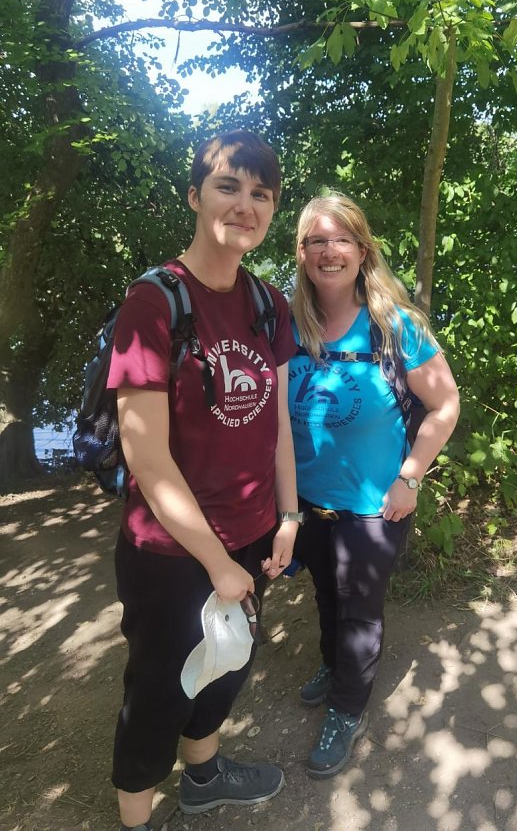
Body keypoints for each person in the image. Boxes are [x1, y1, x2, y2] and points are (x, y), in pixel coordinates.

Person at [107, 130, 300, 831]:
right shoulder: (153, 303)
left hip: (251, 541)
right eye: (228, 186)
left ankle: (205, 777)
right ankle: (136, 818)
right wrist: (216, 563)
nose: (245, 204)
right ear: (194, 196)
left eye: (261, 193)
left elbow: (274, 420)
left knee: (226, 668)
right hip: (171, 555)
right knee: (158, 693)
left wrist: (287, 516)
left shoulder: (267, 303)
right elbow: (147, 459)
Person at [288, 193, 460, 779]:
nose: (328, 251)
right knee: (324, 596)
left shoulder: (395, 326)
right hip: (308, 502)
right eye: (316, 241)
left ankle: (347, 707)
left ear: (363, 251)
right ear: (302, 253)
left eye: (341, 240)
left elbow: (445, 403)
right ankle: (334, 668)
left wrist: (411, 477)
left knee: (359, 607)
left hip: (375, 503)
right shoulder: (289, 324)